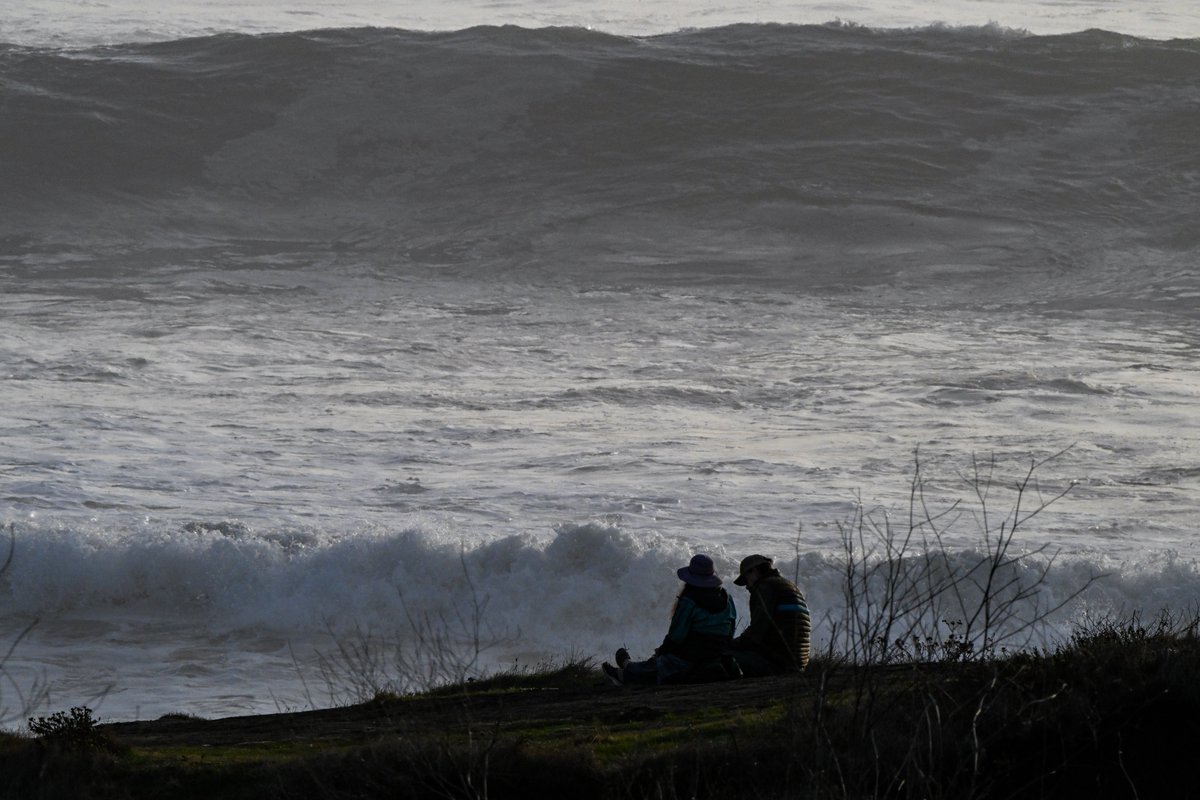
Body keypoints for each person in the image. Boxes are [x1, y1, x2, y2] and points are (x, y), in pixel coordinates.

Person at [602, 554, 737, 685]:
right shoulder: (727, 598)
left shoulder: (689, 601)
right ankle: (628, 665)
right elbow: (731, 631)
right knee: (659, 662)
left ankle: (626, 668)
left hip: (690, 659)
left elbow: (676, 637)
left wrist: (662, 650)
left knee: (658, 665)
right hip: (718, 656)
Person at [727, 554, 811, 676]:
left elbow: (755, 634)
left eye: (746, 580)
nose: (747, 586)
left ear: (754, 571)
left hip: (777, 665)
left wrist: (730, 644)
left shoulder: (765, 588)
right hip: (799, 664)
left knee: (722, 656)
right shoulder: (790, 586)